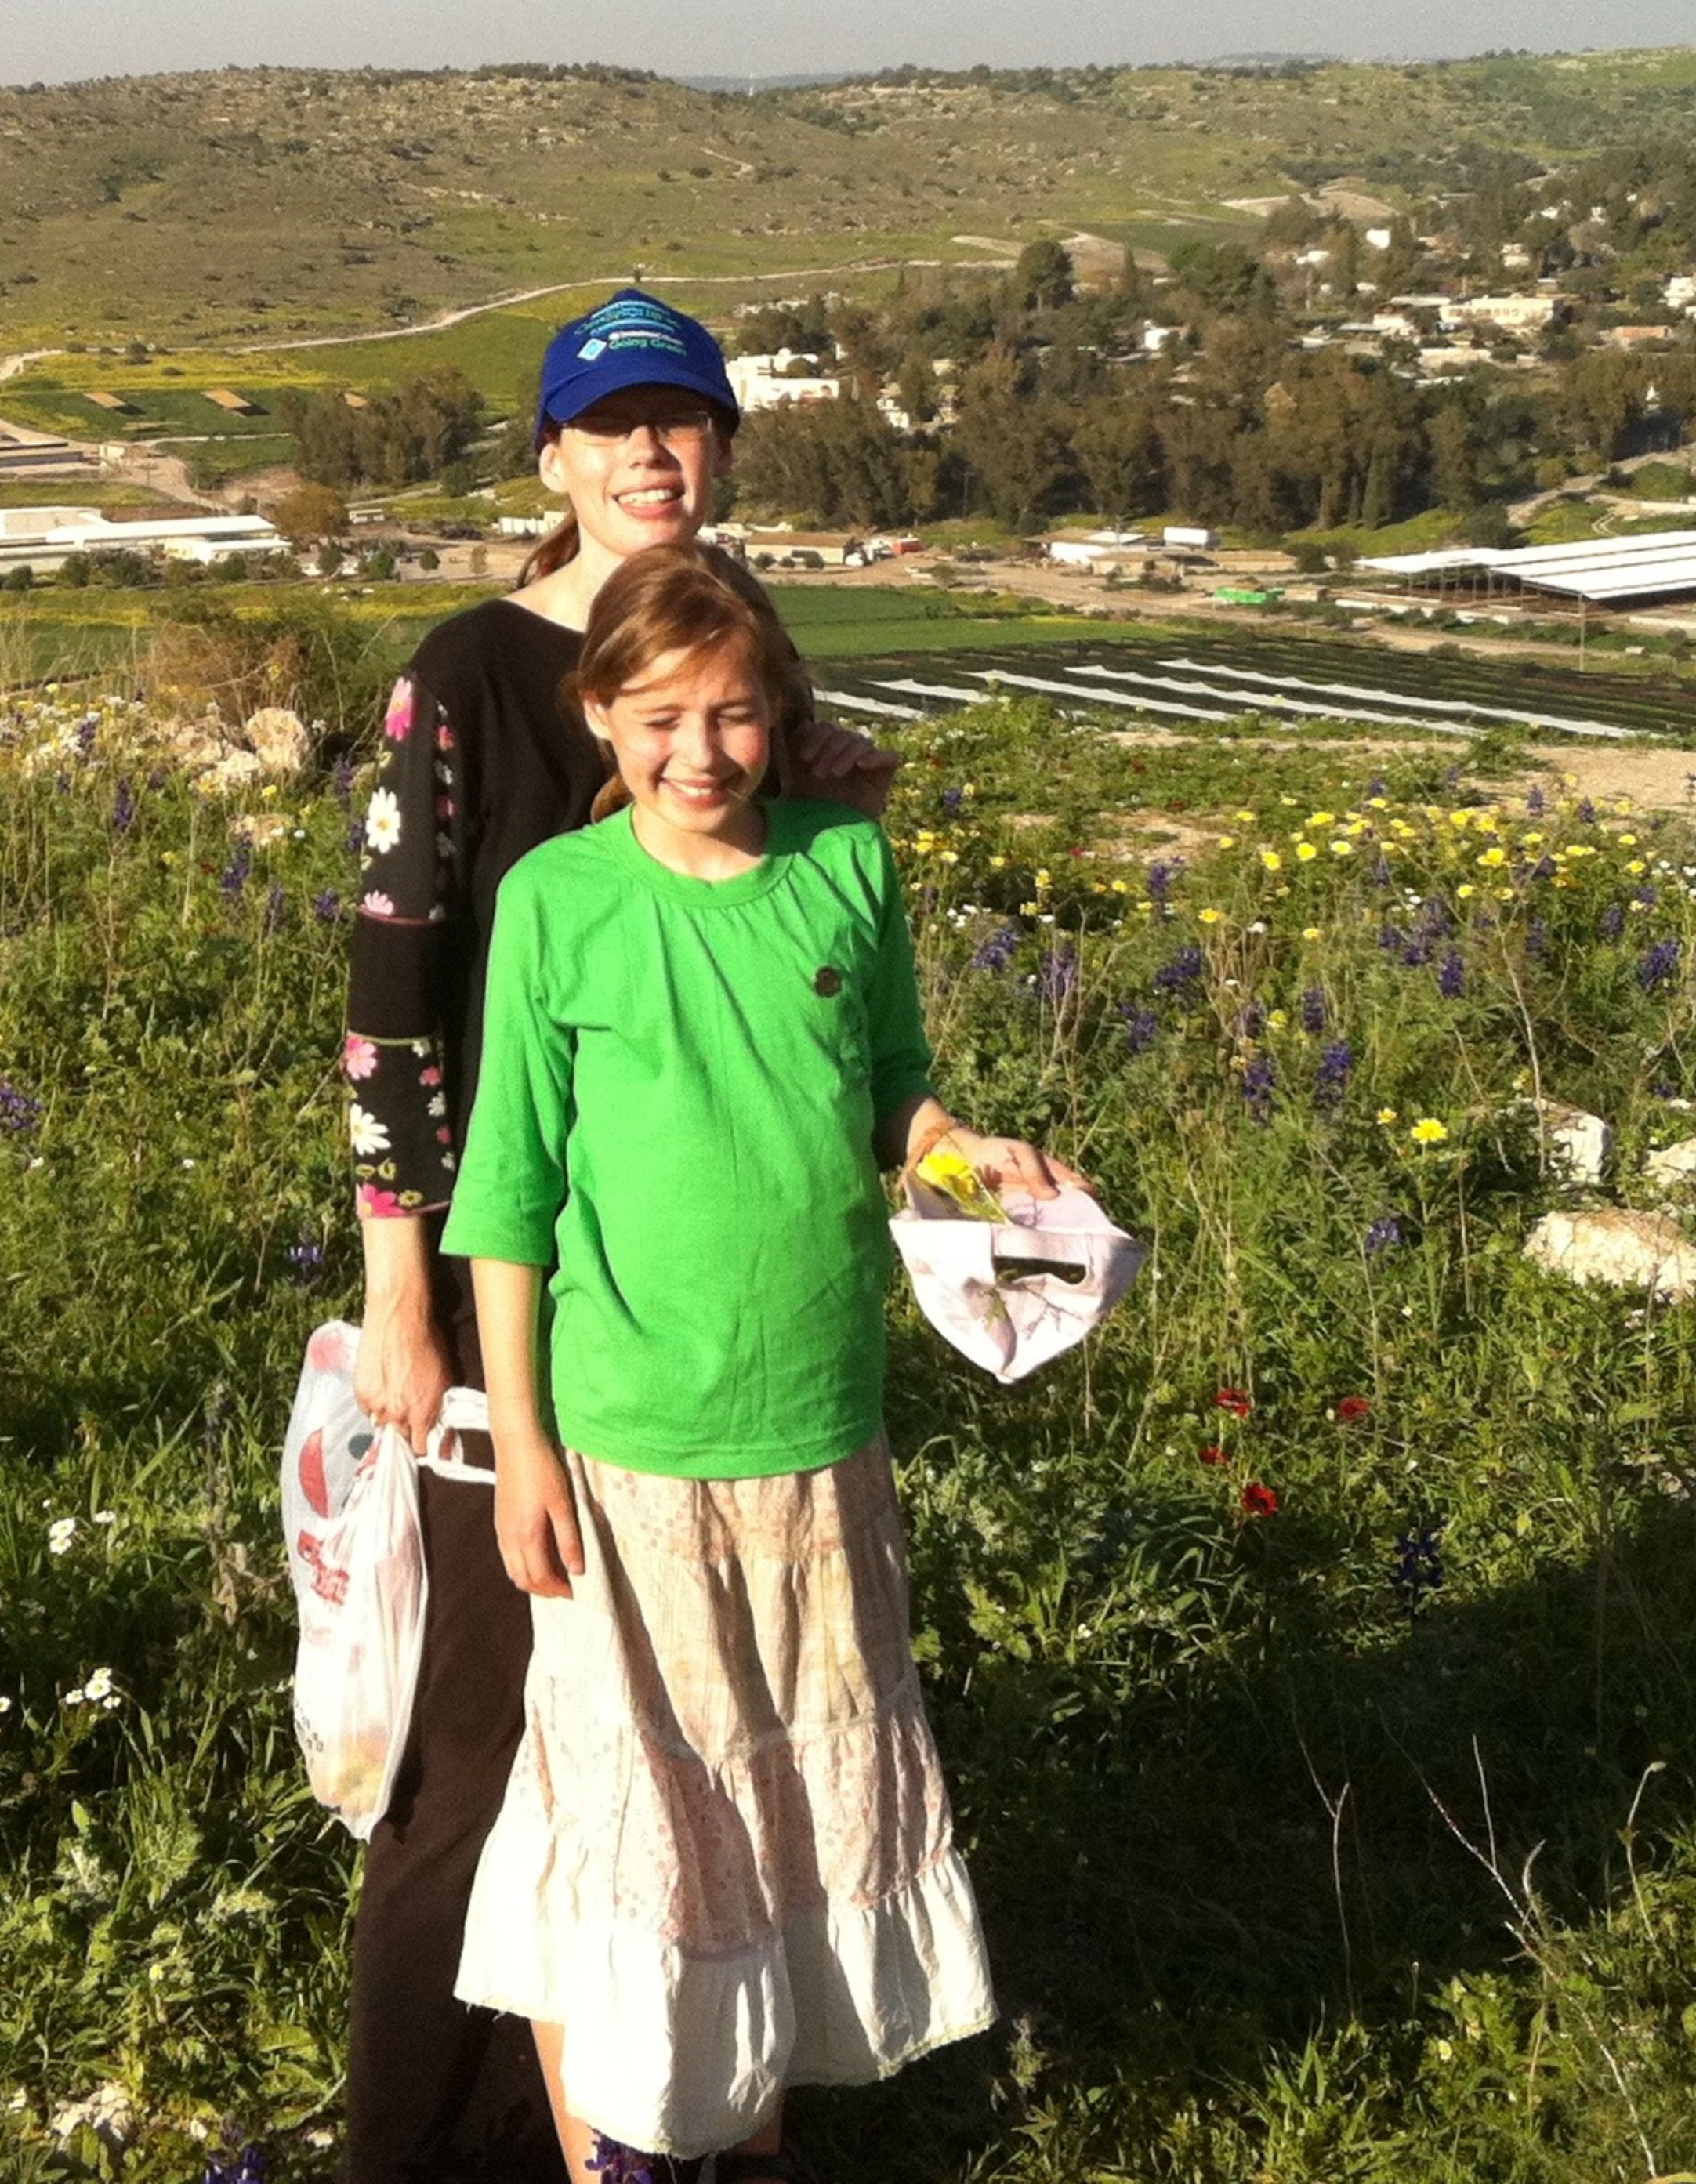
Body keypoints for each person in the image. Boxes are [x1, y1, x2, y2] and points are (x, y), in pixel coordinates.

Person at [442, 543, 1086, 2175]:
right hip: (624, 1441)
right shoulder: (558, 900)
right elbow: (506, 1191)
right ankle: (612, 2159)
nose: (701, 751)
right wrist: (521, 1446)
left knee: (779, 1820)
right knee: (627, 1820)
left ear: (781, 716)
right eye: (661, 716)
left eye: (735, 714)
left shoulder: (845, 866)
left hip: (818, 1420)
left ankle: (746, 2139)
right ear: (599, 710)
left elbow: (895, 1095)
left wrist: (976, 1165)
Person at [339, 290, 890, 2184]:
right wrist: (398, 1283)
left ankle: (667, 2118)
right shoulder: (467, 669)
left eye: (684, 419)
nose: (653, 452)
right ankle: (428, 2144)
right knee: (479, 1743)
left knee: (689, 1741)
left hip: (697, 1309)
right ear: (554, 459)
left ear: (720, 445)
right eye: (613, 425)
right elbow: (392, 989)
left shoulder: (736, 647)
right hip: (509, 1289)